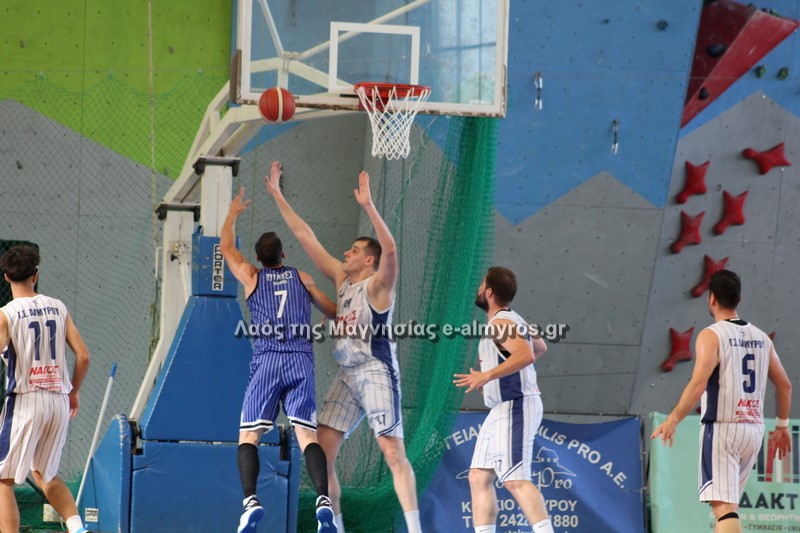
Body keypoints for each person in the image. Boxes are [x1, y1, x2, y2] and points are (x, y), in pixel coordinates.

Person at [265, 162, 422, 533]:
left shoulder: (378, 286)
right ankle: (334, 526)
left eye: (353, 250)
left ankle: (415, 529)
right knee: (321, 453)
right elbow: (305, 236)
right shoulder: (341, 280)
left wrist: (369, 207)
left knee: (392, 451)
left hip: (375, 371)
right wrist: (278, 195)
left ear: (369, 260)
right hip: (347, 375)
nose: (345, 253)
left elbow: (391, 251)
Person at [220, 188, 339, 533]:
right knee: (307, 436)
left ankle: (250, 502)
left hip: (268, 360)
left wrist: (232, 214)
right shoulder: (302, 277)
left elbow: (226, 248)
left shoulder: (252, 276)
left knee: (249, 437)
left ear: (259, 258)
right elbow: (333, 310)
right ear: (284, 254)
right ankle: (323, 500)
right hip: (300, 360)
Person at [651, 269, 792, 533]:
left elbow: (698, 384)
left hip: (723, 428)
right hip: (754, 431)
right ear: (739, 298)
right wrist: (782, 426)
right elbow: (785, 385)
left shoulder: (712, 334)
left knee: (724, 509)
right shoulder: (762, 338)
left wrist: (673, 420)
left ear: (712, 298)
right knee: (727, 509)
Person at [453, 266, 554, 533]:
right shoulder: (512, 318)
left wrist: (487, 375)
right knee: (478, 476)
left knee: (515, 480)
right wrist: (496, 378)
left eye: (481, 284)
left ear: (489, 292)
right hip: (501, 408)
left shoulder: (500, 323)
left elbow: (526, 355)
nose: (478, 288)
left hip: (517, 405)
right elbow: (540, 346)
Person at [0, 245, 92, 533]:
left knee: (3, 479)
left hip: (26, 400)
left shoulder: (6, 314)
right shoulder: (58, 307)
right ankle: (78, 528)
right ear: (36, 275)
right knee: (45, 472)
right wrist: (74, 393)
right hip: (58, 400)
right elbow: (84, 356)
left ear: (6, 277)